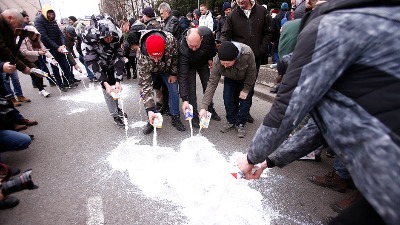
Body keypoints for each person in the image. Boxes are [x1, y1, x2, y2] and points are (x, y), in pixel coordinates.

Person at [237, 0, 400, 224]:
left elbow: (285, 110)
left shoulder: (331, 24)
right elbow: (316, 131)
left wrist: (251, 157)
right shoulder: (379, 16)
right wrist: (269, 161)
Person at [221, 0, 273, 124]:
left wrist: (261, 48)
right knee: (234, 87)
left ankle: (245, 112)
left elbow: (269, 31)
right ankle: (233, 114)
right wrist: (225, 49)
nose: (240, 1)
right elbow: (225, 34)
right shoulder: (232, 15)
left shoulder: (262, 11)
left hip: (255, 57)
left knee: (249, 86)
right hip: (237, 58)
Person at [199, 41, 256, 138]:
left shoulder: (247, 53)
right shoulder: (217, 61)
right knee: (227, 99)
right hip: (230, 78)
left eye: (227, 63)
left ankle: (240, 123)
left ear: (235, 58)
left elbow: (252, 73)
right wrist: (204, 107)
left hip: (245, 79)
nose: (225, 66)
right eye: (223, 63)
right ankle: (230, 120)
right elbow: (212, 84)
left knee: (245, 101)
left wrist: (246, 89)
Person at [81, 15, 127, 128]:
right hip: (97, 61)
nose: (109, 39)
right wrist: (105, 84)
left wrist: (118, 81)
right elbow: (93, 64)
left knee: (114, 86)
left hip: (110, 61)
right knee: (107, 88)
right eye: (106, 38)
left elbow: (119, 57)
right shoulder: (89, 39)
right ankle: (114, 115)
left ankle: (117, 108)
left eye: (111, 37)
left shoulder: (118, 34)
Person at [136, 30, 186, 134]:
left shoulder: (171, 41)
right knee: (145, 91)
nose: (156, 60)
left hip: (166, 69)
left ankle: (175, 117)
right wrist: (149, 109)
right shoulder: (141, 55)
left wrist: (173, 73)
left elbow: (176, 57)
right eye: (153, 57)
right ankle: (152, 118)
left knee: (173, 89)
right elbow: (146, 86)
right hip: (149, 70)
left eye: (159, 56)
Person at [179, 27, 221, 128]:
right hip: (189, 65)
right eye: (191, 46)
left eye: (196, 46)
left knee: (207, 85)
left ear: (201, 39)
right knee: (191, 89)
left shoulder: (207, 34)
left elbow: (212, 46)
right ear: (186, 39)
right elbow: (183, 75)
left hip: (203, 62)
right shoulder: (182, 48)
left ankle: (209, 108)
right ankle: (194, 115)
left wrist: (210, 58)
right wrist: (184, 98)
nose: (193, 48)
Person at [34, 4, 79, 92]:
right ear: (45, 13)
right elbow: (44, 37)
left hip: (59, 47)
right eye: (49, 14)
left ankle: (67, 81)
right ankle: (60, 84)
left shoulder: (53, 21)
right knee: (55, 67)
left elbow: (60, 34)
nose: (51, 16)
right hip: (49, 48)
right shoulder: (39, 20)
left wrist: (62, 45)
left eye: (52, 14)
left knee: (65, 65)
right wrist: (56, 47)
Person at [0, 9, 37, 107]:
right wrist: (24, 68)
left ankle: (17, 118)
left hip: (5, 62)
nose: (20, 27)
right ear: (10, 18)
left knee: (10, 83)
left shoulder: (8, 28)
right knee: (4, 88)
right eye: (19, 24)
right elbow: (4, 50)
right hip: (2, 63)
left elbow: (15, 51)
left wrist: (33, 67)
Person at [19, 25, 59, 97]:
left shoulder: (37, 39)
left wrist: (52, 59)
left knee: (40, 74)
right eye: (34, 35)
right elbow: (24, 52)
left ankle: (41, 89)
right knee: (34, 75)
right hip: (26, 61)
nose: (35, 36)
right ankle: (42, 89)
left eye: (37, 35)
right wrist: (38, 53)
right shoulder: (23, 39)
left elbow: (44, 50)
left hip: (35, 59)